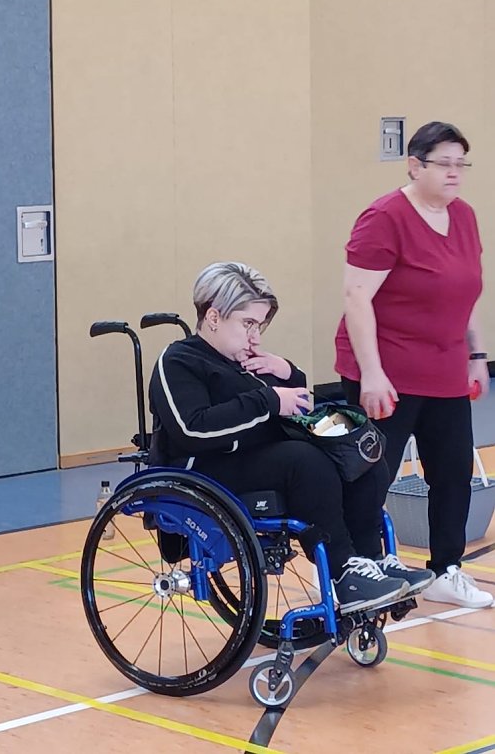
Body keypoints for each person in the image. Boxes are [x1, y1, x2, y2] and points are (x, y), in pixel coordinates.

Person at [149, 261, 433, 615]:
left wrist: (288, 373)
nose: (255, 336)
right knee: (305, 462)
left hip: (260, 459)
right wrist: (269, 399)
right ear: (214, 317)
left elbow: (295, 408)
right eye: (248, 324)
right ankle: (344, 571)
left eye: (260, 326)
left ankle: (372, 561)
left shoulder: (246, 362)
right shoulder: (179, 360)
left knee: (360, 456)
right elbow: (192, 428)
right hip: (207, 469)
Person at [335, 120, 493, 609]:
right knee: (372, 475)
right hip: (387, 370)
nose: (454, 173)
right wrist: (372, 372)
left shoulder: (464, 216)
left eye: (460, 164)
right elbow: (356, 297)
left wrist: (476, 355)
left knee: (452, 472)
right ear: (414, 165)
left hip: (444, 369)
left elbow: (464, 293)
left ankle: (446, 569)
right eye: (443, 163)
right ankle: (357, 568)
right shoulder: (384, 218)